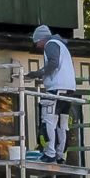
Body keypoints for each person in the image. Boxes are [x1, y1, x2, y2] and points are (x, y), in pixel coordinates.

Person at [31, 23, 76, 159]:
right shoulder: (62, 45)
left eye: (37, 43)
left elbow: (53, 63)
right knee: (63, 123)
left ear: (41, 39)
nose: (37, 46)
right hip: (69, 89)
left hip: (56, 87)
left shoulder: (50, 44)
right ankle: (61, 154)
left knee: (48, 119)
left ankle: (49, 153)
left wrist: (38, 73)